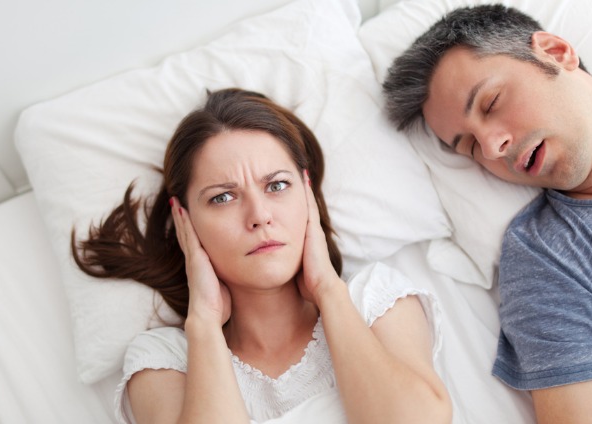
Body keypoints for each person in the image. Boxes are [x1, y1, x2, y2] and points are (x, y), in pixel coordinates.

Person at [382, 4, 592, 423]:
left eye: (491, 102)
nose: (493, 147)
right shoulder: (552, 262)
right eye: (470, 147)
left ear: (555, 52)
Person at [71, 88, 452, 424]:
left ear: (307, 195)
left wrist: (327, 291)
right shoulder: (166, 361)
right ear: (184, 220)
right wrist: (203, 323)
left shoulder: (375, 301)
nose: (259, 216)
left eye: (277, 185)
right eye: (222, 197)